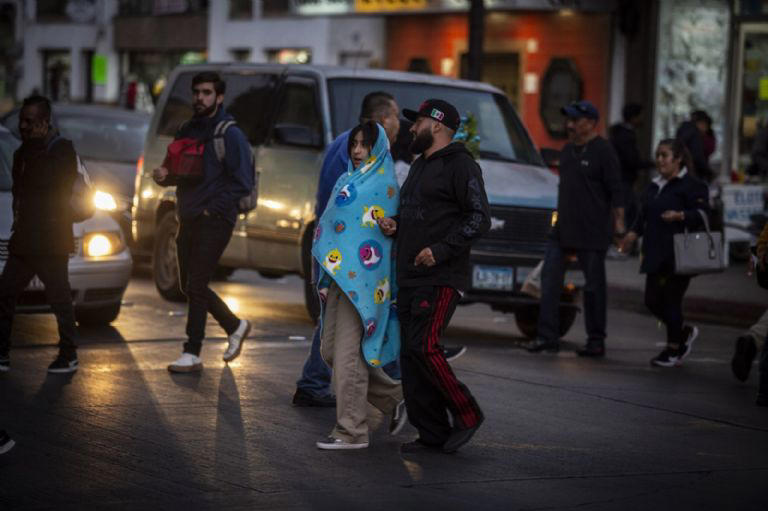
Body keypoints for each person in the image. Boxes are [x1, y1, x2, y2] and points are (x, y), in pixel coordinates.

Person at [292, 92, 466, 407]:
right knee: (355, 325)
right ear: (383, 119)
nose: (402, 126)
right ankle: (381, 395)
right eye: (397, 117)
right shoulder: (366, 151)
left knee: (347, 327)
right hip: (351, 256)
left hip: (342, 252)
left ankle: (350, 386)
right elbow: (351, 203)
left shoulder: (346, 144)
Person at [379, 99, 490, 453]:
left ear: (438, 126)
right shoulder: (419, 166)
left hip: (441, 275)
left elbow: (478, 218)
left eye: (418, 122)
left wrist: (440, 250)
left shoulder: (461, 165)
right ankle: (432, 433)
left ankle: (467, 413)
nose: (412, 128)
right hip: (409, 275)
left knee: (425, 347)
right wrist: (396, 225)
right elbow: (416, 215)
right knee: (411, 355)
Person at [313, 121, 406, 450]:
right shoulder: (346, 178)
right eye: (354, 144)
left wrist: (392, 226)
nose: (356, 151)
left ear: (377, 148)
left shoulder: (384, 186)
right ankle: (396, 397)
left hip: (364, 285)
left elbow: (389, 233)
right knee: (330, 350)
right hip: (339, 277)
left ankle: (351, 430)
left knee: (349, 355)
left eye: (364, 145)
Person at [153, 72, 252, 373]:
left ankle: (192, 351)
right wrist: (164, 177)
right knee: (187, 284)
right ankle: (235, 325)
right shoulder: (187, 129)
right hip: (189, 215)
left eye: (207, 93)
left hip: (216, 219)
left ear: (219, 97)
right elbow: (178, 171)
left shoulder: (229, 134)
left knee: (196, 283)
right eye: (197, 92)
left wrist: (213, 209)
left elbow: (243, 182)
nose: (200, 98)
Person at [527, 100, 624, 357]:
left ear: (591, 123)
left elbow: (616, 189)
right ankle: (547, 337)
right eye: (568, 119)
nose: (570, 124)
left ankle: (596, 340)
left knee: (593, 287)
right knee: (549, 282)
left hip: (592, 231)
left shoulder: (604, 151)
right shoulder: (568, 150)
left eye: (575, 120)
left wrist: (620, 224)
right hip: (563, 230)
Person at [0, 95, 81, 374]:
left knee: (59, 298)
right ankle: (2, 354)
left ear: (44, 124)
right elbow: (20, 194)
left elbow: (52, 186)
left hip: (51, 240)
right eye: (22, 120)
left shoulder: (61, 150)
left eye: (29, 122)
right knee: (5, 293)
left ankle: (69, 355)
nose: (22, 126)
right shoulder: (21, 153)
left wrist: (35, 153)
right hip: (24, 240)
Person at [619, 139, 709, 367]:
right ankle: (683, 332)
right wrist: (631, 235)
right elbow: (643, 216)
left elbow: (703, 214)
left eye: (665, 155)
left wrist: (680, 216)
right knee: (651, 301)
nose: (660, 160)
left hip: (680, 253)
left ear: (678, 159)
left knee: (671, 300)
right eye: (658, 155)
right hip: (654, 251)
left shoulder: (692, 185)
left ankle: (672, 350)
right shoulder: (654, 186)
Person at [609, 103, 653, 234]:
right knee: (626, 211)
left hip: (623, 179)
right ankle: (620, 241)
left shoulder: (620, 133)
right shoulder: (625, 135)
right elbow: (631, 160)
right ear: (634, 117)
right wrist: (648, 164)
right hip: (623, 179)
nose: (642, 119)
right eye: (641, 116)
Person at [676, 110, 714, 183]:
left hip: (680, 171)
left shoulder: (684, 130)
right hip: (692, 173)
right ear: (700, 122)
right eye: (704, 125)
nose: (705, 128)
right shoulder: (694, 134)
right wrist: (708, 172)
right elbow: (697, 156)